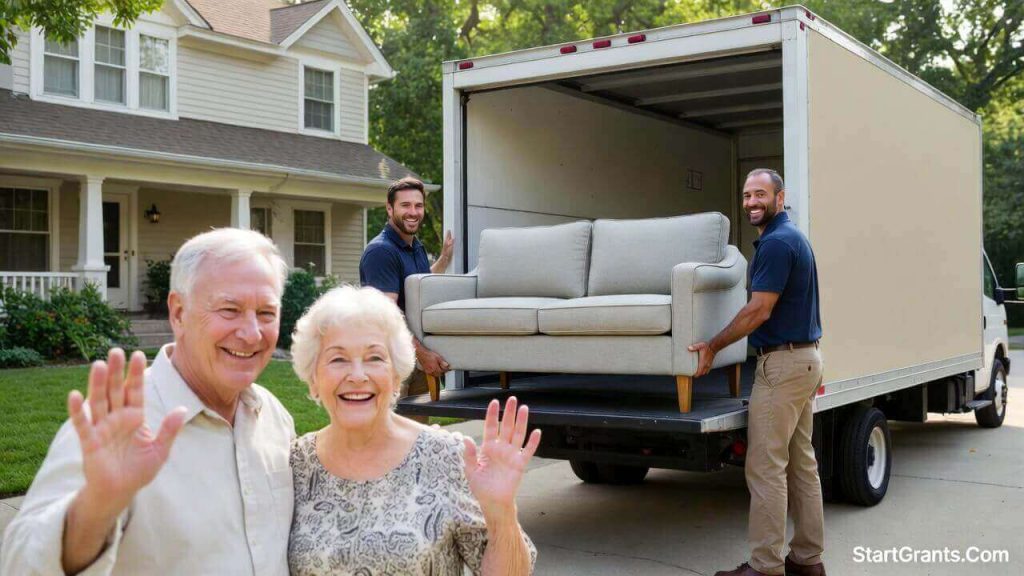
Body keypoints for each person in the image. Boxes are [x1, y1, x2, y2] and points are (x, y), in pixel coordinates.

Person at [1, 228, 295, 576]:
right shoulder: (117, 423)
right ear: (178, 313)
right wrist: (97, 507)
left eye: (266, 313)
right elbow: (21, 565)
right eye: (229, 309)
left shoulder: (275, 416)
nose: (251, 333)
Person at [287, 285, 538, 575]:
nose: (357, 375)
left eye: (375, 358)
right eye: (338, 359)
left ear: (396, 376)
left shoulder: (446, 457)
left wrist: (502, 514)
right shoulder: (295, 465)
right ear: (313, 377)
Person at [689, 169, 826, 576]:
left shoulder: (778, 243)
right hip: (805, 360)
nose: (751, 202)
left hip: (782, 365)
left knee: (765, 467)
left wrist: (712, 346)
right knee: (801, 463)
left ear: (779, 198)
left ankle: (765, 566)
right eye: (747, 195)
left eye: (760, 194)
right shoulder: (791, 238)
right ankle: (807, 559)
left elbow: (758, 309)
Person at [360, 177, 455, 406]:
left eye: (418, 205)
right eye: (405, 205)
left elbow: (416, 285)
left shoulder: (415, 246)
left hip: (415, 357)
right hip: (391, 361)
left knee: (417, 436)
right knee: (387, 434)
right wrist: (422, 353)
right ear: (390, 208)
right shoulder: (381, 252)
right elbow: (387, 315)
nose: (413, 212)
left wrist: (444, 259)